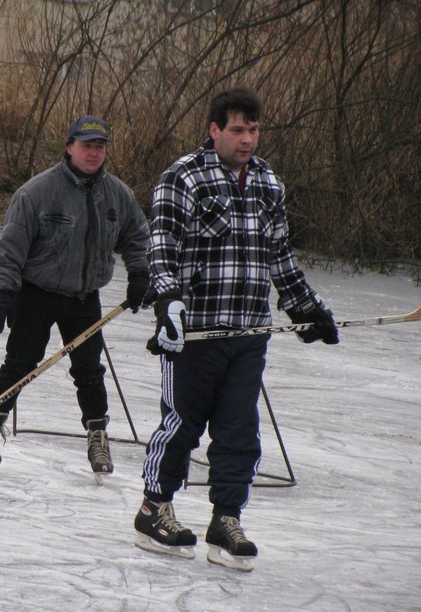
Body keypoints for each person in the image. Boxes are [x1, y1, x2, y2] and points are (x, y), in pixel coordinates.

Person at [134, 87, 339, 571]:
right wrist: (168, 302)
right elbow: (160, 248)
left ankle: (226, 519)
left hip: (249, 334)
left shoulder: (268, 181)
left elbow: (280, 257)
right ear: (214, 130)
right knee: (182, 423)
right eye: (237, 130)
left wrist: (306, 308)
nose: (247, 139)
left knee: (240, 431)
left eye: (253, 129)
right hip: (194, 332)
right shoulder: (182, 177)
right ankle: (154, 508)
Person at [0, 115, 151, 483]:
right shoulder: (37, 192)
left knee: (89, 370)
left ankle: (97, 435)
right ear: (70, 148)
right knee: (20, 364)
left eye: (100, 147)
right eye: (87, 146)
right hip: (37, 294)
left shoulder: (117, 194)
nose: (94, 153)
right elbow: (10, 248)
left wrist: (140, 274)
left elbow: (136, 237)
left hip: (84, 298)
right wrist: (4, 292)